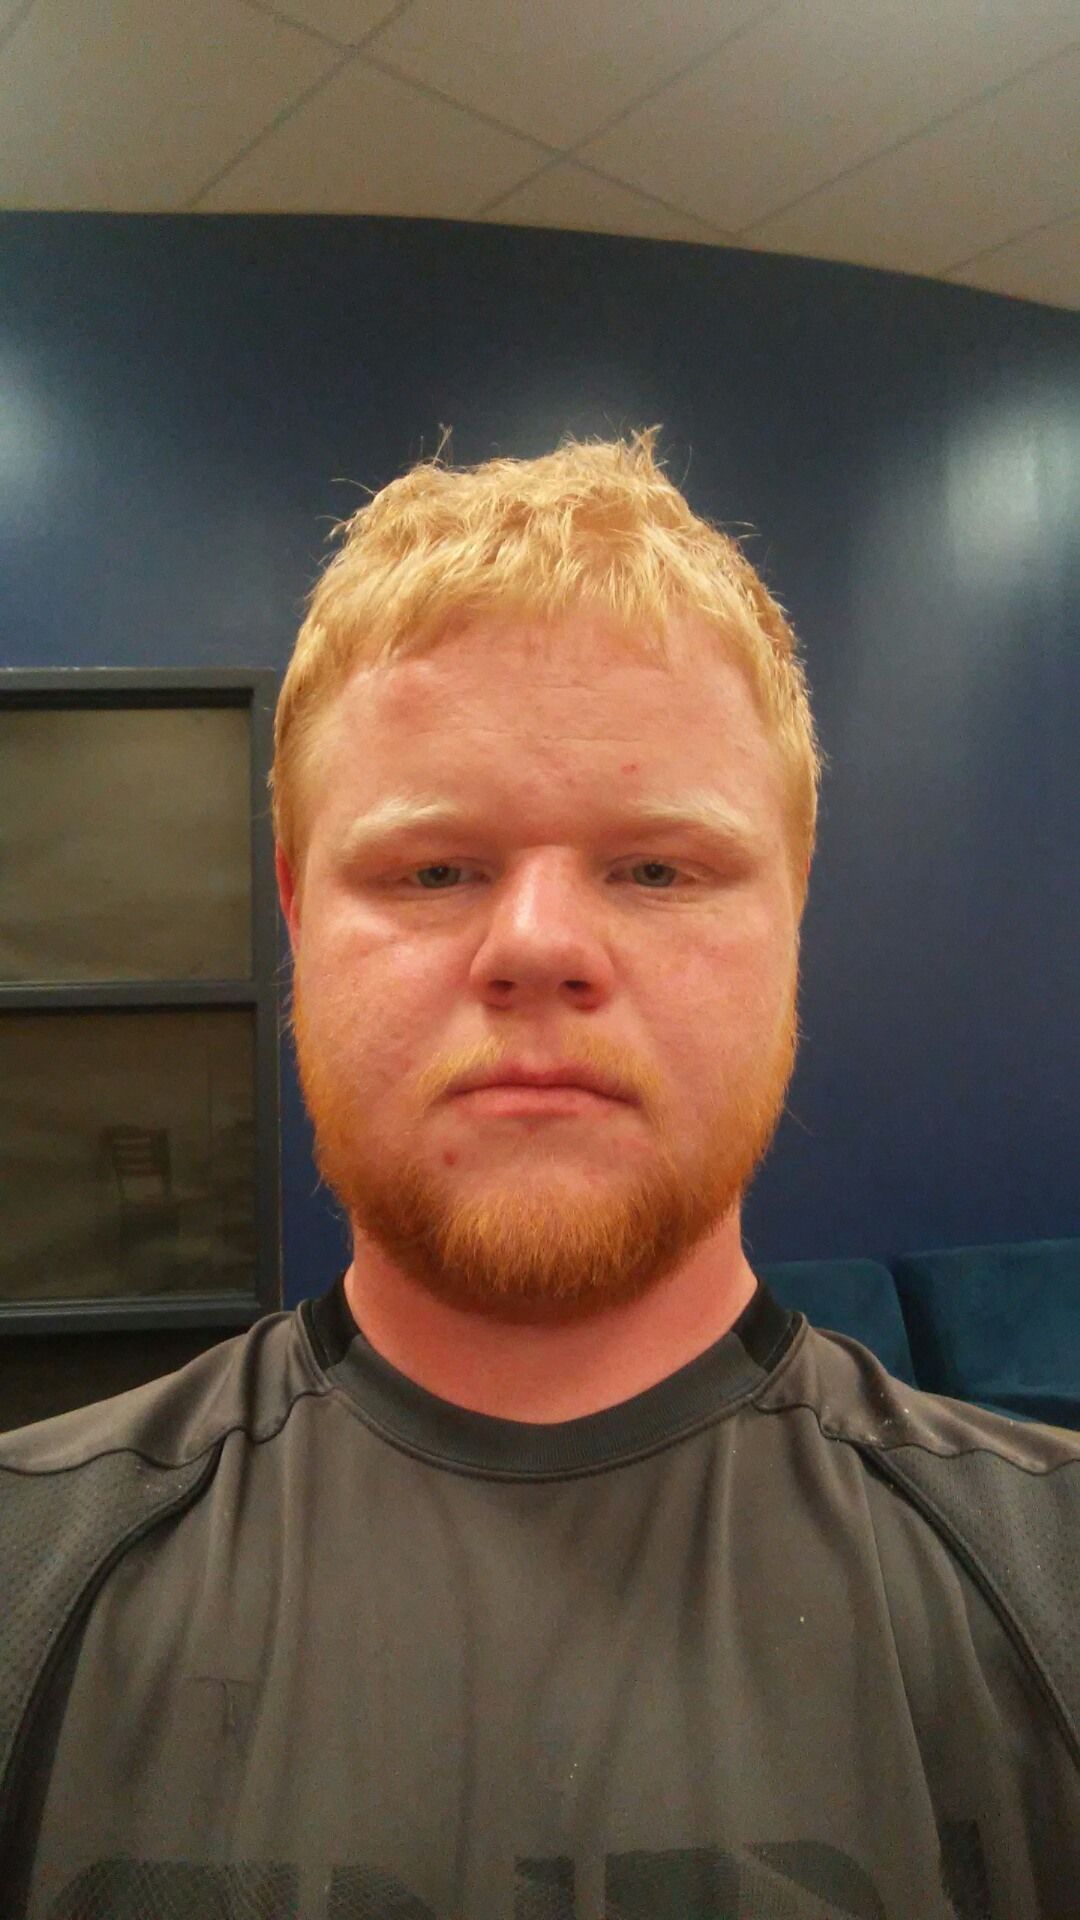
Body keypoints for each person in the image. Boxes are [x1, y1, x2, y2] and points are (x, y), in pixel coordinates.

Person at [0, 431, 1076, 1920]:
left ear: (794, 913)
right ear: (298, 918)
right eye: (435, 870)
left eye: (658, 869)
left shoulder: (1052, 1596)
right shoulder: (27, 1586)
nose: (539, 946)